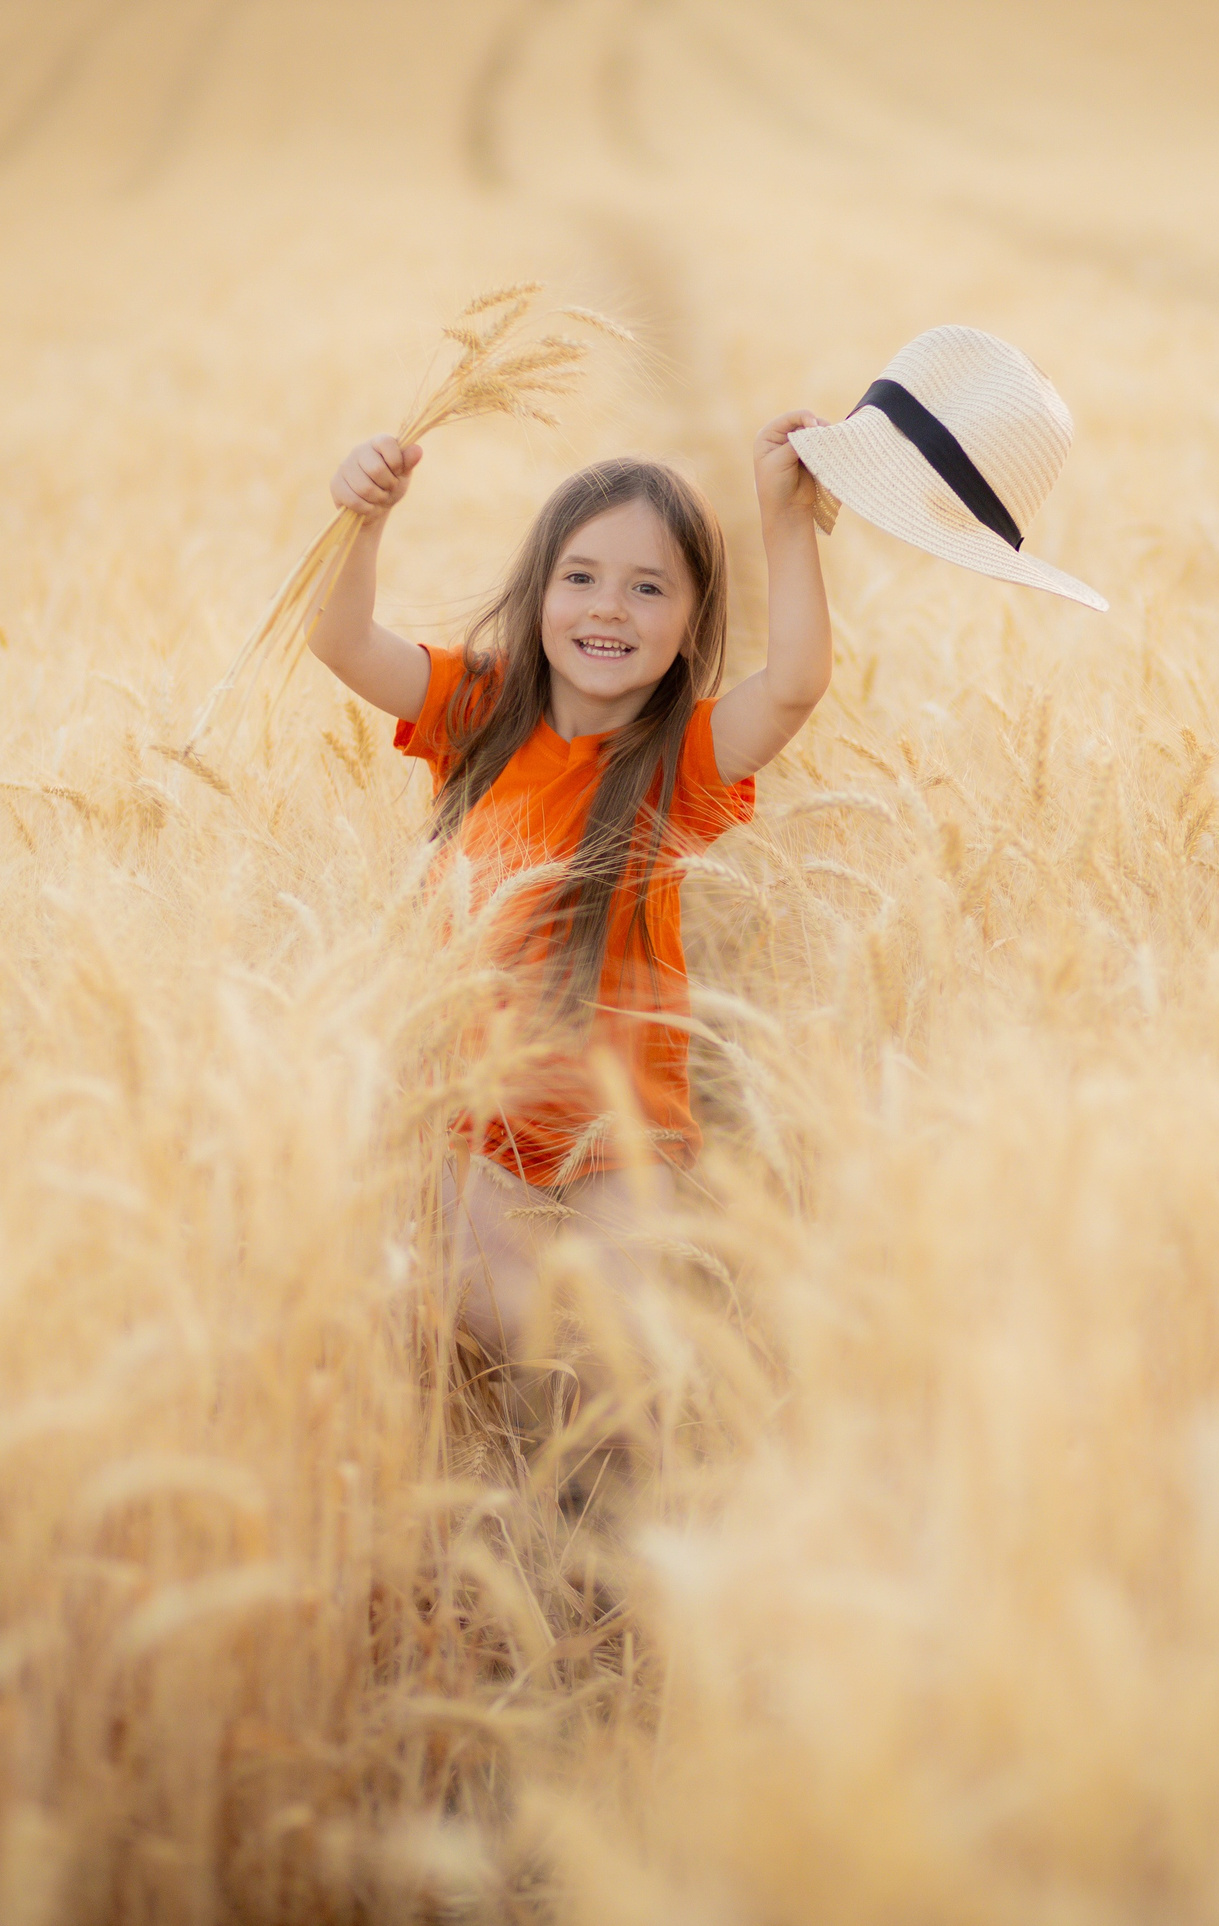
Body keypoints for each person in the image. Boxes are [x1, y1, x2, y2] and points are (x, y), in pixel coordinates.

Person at [305, 413, 833, 1452]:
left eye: (650, 587)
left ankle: (596, 1527)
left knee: (614, 1347)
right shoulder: (480, 707)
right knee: (496, 1304)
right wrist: (359, 520)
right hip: (473, 1110)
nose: (609, 608)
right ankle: (489, 1454)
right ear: (538, 594)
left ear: (692, 624)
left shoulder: (681, 757)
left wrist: (787, 521)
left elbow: (796, 686)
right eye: (581, 577)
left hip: (623, 1130)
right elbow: (341, 642)